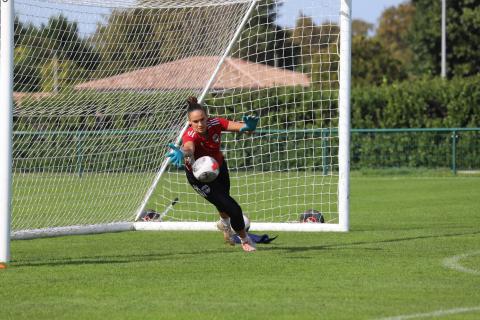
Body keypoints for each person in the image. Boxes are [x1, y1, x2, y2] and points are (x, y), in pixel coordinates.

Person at [167, 97, 259, 252]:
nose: (200, 124)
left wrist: (248, 127)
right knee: (234, 209)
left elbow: (242, 128)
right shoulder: (190, 135)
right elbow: (188, 148)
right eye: (195, 121)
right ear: (190, 123)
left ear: (207, 117)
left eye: (202, 119)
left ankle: (224, 223)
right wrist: (183, 152)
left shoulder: (216, 123)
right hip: (199, 177)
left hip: (218, 167)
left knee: (224, 201)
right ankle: (245, 240)